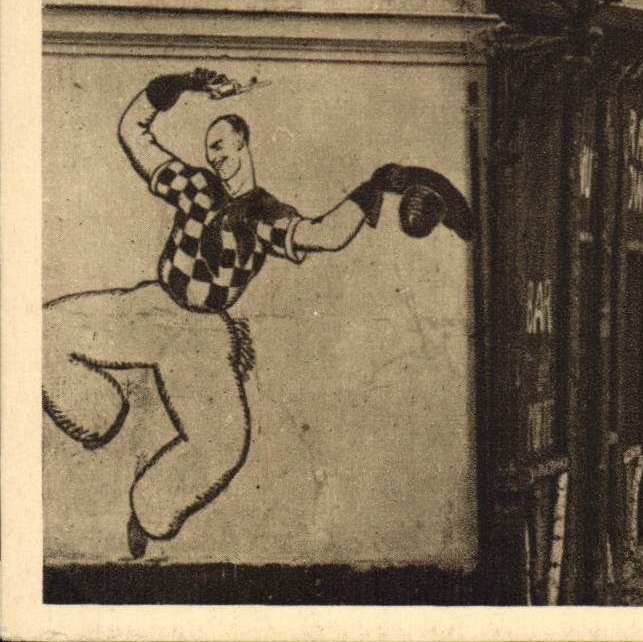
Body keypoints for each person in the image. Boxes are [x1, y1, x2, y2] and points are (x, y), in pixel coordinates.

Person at [42, 68, 473, 559]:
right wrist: (174, 86)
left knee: (223, 447)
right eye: (211, 150)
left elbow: (324, 234)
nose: (217, 157)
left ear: (244, 145)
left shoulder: (264, 214)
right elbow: (133, 134)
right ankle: (99, 416)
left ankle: (150, 511)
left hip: (200, 337)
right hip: (151, 308)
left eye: (224, 146)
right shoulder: (194, 187)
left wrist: (373, 189)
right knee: (44, 328)